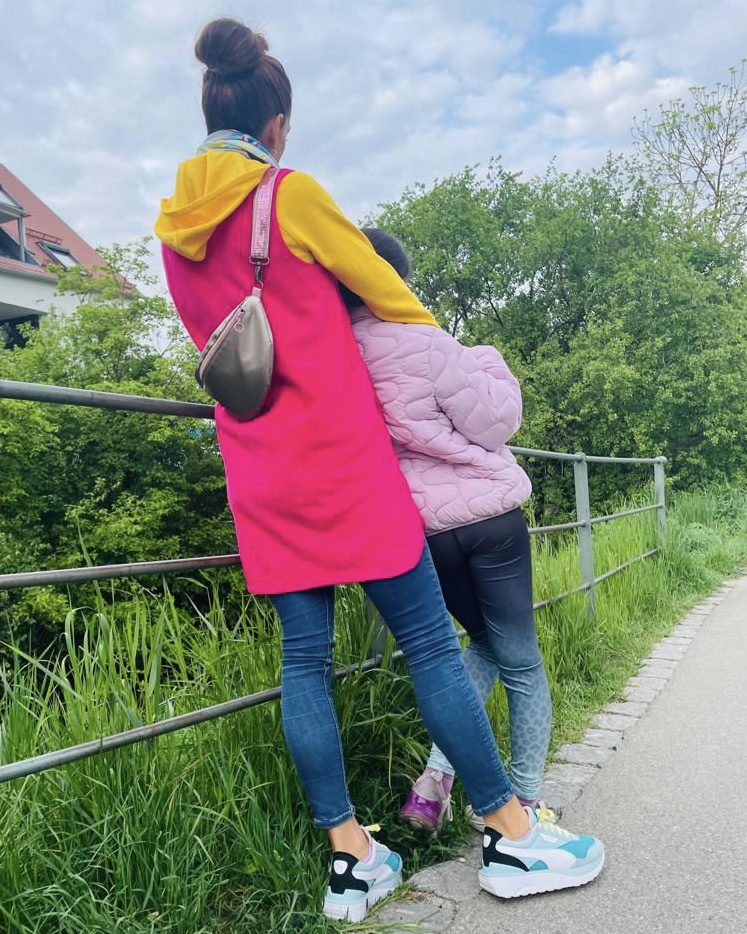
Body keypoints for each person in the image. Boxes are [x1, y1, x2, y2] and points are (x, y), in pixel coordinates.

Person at [155, 17, 604, 922]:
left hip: (260, 471)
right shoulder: (289, 194)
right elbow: (387, 292)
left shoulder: (172, 233)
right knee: (433, 644)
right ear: (276, 123)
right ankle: (511, 834)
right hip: (345, 465)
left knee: (304, 663)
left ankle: (351, 858)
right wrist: (439, 351)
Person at [341, 229, 557, 840]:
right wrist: (488, 361)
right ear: (395, 281)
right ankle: (527, 803)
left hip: (425, 530)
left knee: (480, 644)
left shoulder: (335, 357)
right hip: (491, 519)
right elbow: (496, 423)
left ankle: (434, 783)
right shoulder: (426, 341)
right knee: (520, 660)